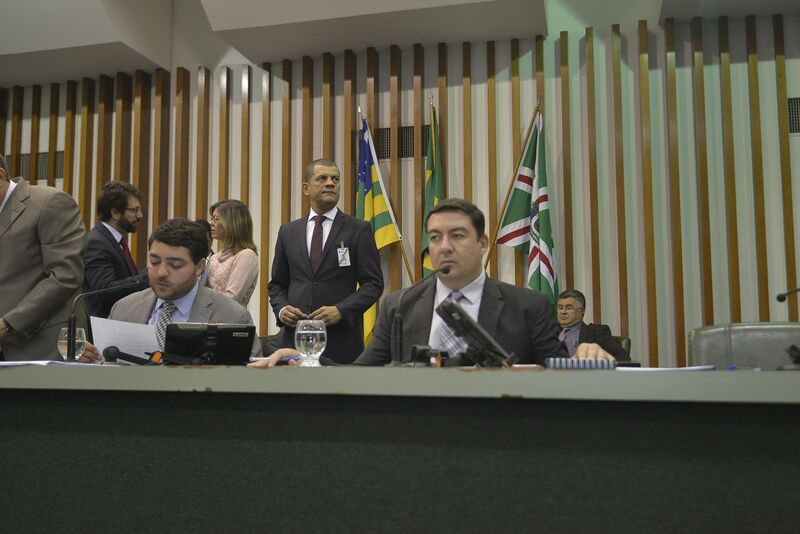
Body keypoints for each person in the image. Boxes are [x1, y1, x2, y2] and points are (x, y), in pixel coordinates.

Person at [253, 198, 612, 368]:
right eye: (436, 237)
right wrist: (303, 359)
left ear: (482, 244)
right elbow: (362, 374)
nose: (445, 247)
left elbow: (558, 373)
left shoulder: (528, 306)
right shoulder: (399, 305)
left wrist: (587, 356)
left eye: (457, 235)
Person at [82, 218, 261, 361]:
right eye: (154, 261)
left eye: (175, 265)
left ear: (199, 267)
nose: (161, 273)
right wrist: (90, 360)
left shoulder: (232, 317)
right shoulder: (124, 309)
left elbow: (250, 382)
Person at [267, 158, 383, 364]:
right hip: (294, 342)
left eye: (335, 179)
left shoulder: (358, 230)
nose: (330, 183)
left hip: (341, 343)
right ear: (306, 188)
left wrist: (341, 310)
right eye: (322, 178)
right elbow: (277, 285)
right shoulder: (288, 232)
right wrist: (282, 309)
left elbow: (373, 285)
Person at [0, 154, 86, 361]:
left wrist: (10, 324)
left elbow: (66, 275)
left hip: (41, 346)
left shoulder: (50, 202)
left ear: (0, 176)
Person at [83, 181, 149, 318]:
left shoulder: (114, 241)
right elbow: (105, 291)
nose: (140, 215)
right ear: (115, 213)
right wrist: (147, 277)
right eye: (135, 210)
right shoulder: (96, 243)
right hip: (104, 326)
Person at [206, 199, 258, 306]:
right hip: (207, 314)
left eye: (216, 219)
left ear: (231, 223)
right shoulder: (214, 257)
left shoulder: (246, 255)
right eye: (212, 219)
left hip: (229, 315)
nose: (211, 223)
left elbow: (232, 298)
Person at [557, 289, 629, 361]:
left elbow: (623, 359)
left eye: (568, 308)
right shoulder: (552, 332)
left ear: (581, 311)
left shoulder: (598, 332)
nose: (563, 312)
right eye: (560, 308)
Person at [195, 218, 214, 286]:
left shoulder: (218, 262)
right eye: (199, 241)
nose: (202, 245)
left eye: (206, 241)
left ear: (212, 240)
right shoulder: (187, 262)